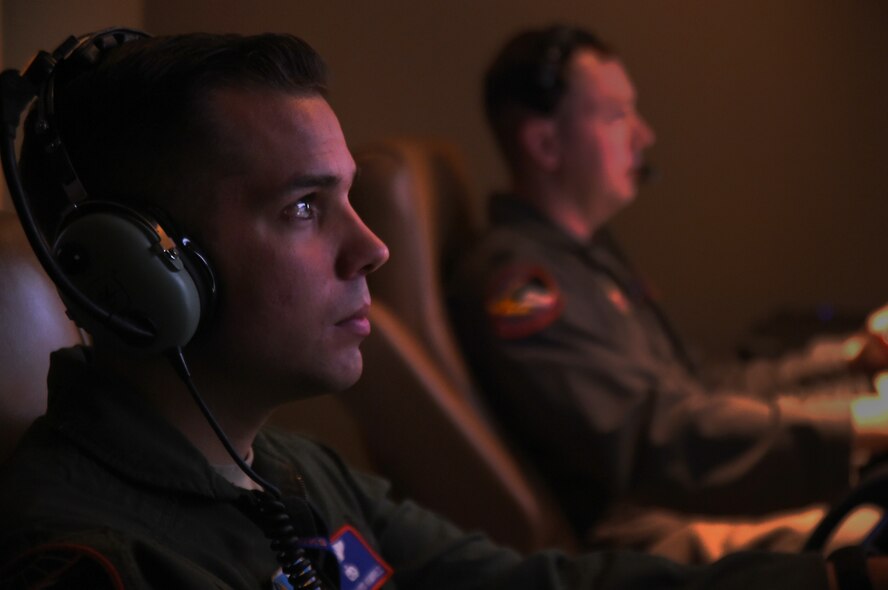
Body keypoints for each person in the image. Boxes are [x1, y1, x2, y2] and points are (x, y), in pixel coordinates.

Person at [0, 27, 881, 590]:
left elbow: (537, 587)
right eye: (305, 208)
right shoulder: (94, 561)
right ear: (147, 271)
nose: (373, 248)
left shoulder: (293, 473)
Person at [446, 23, 888, 563]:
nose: (644, 134)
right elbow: (657, 443)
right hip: (654, 535)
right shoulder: (521, 287)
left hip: (687, 503)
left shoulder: (584, 257)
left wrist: (849, 360)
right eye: (616, 115)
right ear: (544, 143)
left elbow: (698, 387)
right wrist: (865, 424)